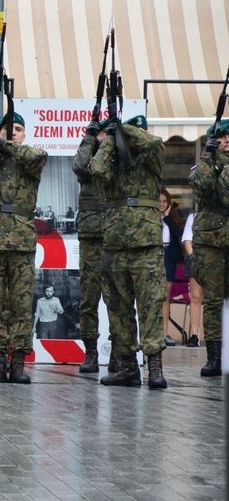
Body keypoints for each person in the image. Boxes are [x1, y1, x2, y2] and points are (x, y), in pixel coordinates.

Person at [89, 114, 168, 388]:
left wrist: (124, 129)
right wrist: (111, 138)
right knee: (118, 308)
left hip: (146, 245)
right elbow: (96, 169)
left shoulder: (151, 162)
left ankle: (155, 367)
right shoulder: (112, 163)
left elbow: (154, 143)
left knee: (150, 305)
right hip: (115, 244)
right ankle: (127, 367)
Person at [0, 112, 48, 383]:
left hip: (21, 243)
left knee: (21, 306)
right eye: (7, 129)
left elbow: (37, 157)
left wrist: (2, 142)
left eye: (17, 129)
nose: (12, 133)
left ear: (24, 134)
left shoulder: (31, 158)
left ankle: (18, 363)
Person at [72, 119, 127, 374]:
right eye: (101, 132)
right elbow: (79, 167)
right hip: (91, 236)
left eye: (107, 132)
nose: (104, 136)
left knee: (115, 298)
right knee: (89, 299)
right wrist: (89, 138)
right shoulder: (89, 157)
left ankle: (117, 353)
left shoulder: (119, 157)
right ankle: (91, 353)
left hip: (115, 235)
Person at [188, 119, 229, 377]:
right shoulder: (203, 165)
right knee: (213, 301)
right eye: (222, 138)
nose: (227, 142)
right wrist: (207, 156)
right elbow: (200, 183)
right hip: (210, 243)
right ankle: (214, 356)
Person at [159, 187, 184, 346]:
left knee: (165, 297)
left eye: (164, 201)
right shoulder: (148, 218)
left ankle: (164, 334)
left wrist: (167, 218)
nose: (161, 204)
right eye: (159, 201)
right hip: (153, 254)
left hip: (168, 256)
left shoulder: (172, 219)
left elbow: (179, 235)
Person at [181, 212, 202, 347]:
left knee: (219, 299)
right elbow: (187, 240)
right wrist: (195, 260)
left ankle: (218, 338)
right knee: (195, 297)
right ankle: (194, 335)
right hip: (197, 259)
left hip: (219, 259)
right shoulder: (193, 216)